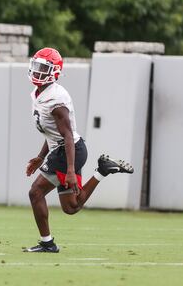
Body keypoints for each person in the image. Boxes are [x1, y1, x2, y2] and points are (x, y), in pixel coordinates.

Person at [24, 47, 134, 253]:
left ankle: (47, 244)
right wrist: (40, 157)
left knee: (35, 192)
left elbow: (66, 135)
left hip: (68, 151)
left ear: (55, 71)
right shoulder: (39, 93)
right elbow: (54, 134)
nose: (38, 71)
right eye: (36, 66)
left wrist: (71, 170)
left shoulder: (55, 99)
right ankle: (102, 171)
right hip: (68, 149)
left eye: (43, 68)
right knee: (71, 207)